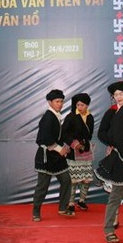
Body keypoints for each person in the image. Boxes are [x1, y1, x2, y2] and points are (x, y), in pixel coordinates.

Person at [95, 81, 123, 243]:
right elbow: (106, 133)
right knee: (116, 194)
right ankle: (109, 227)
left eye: (122, 94)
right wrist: (115, 144)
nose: (119, 97)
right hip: (121, 157)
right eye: (116, 95)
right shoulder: (115, 112)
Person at [32, 89, 73, 221]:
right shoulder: (48, 117)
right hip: (46, 157)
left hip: (56, 157)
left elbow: (59, 136)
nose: (60, 104)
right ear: (50, 102)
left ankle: (62, 208)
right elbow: (44, 138)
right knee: (42, 186)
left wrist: (65, 147)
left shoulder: (56, 115)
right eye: (57, 102)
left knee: (66, 180)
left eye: (61, 101)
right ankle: (36, 212)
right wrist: (59, 148)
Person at [62, 93, 95, 211]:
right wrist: (75, 144)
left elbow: (90, 134)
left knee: (86, 179)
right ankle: (70, 203)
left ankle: (81, 200)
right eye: (78, 105)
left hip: (85, 151)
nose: (80, 107)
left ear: (87, 105)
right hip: (73, 152)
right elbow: (63, 134)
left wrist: (84, 143)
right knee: (73, 180)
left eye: (82, 105)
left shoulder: (90, 117)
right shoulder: (71, 116)